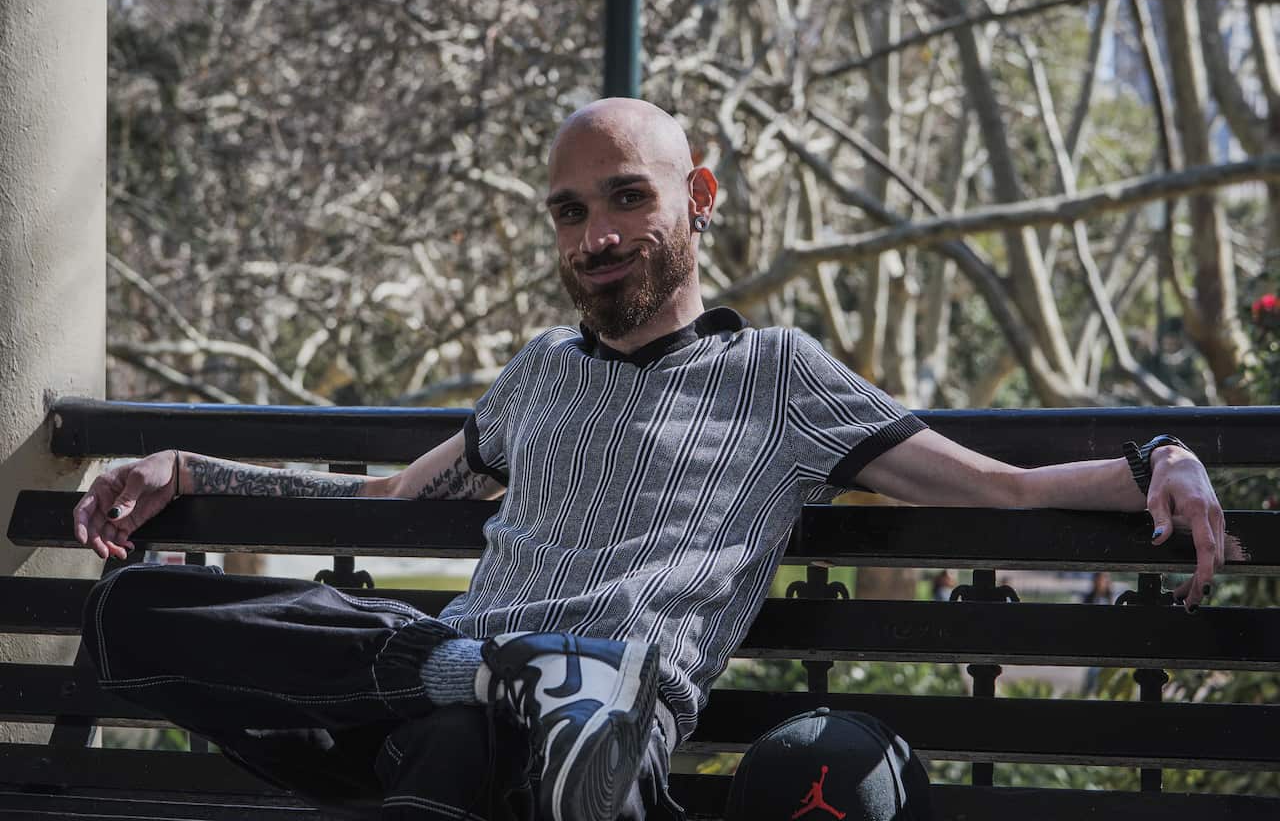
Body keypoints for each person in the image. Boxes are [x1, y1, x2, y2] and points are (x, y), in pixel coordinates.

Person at [74, 98, 1230, 821]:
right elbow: (388, 497)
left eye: (626, 199)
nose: (597, 237)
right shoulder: (538, 371)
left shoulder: (778, 374)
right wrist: (195, 472)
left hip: (606, 736)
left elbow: (995, 487)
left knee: (477, 750)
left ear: (698, 198)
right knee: (138, 609)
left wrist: (1159, 457)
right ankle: (485, 674)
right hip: (449, 698)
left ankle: (512, 689)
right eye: (569, 212)